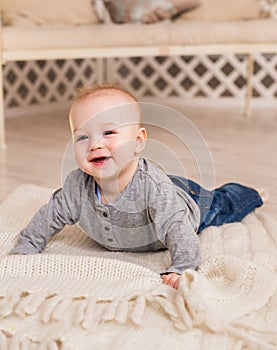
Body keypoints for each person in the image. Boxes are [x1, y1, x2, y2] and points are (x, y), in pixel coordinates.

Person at [10, 84, 264, 289]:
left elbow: (178, 230)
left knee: (222, 204)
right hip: (163, 185)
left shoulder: (154, 190)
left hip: (188, 200)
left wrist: (182, 268)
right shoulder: (77, 186)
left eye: (109, 133)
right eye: (82, 137)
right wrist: (27, 246)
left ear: (138, 141)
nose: (94, 144)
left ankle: (250, 193)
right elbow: (49, 215)